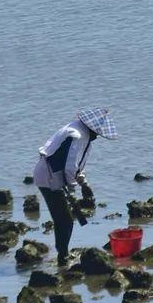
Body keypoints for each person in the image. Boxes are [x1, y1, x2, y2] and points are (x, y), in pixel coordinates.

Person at [33, 106, 118, 264]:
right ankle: (63, 256)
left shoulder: (78, 131)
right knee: (65, 220)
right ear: (92, 129)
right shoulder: (78, 135)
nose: (97, 137)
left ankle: (62, 254)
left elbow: (77, 166)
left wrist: (84, 184)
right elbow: (70, 167)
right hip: (49, 176)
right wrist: (72, 190)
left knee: (62, 219)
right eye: (97, 133)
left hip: (53, 175)